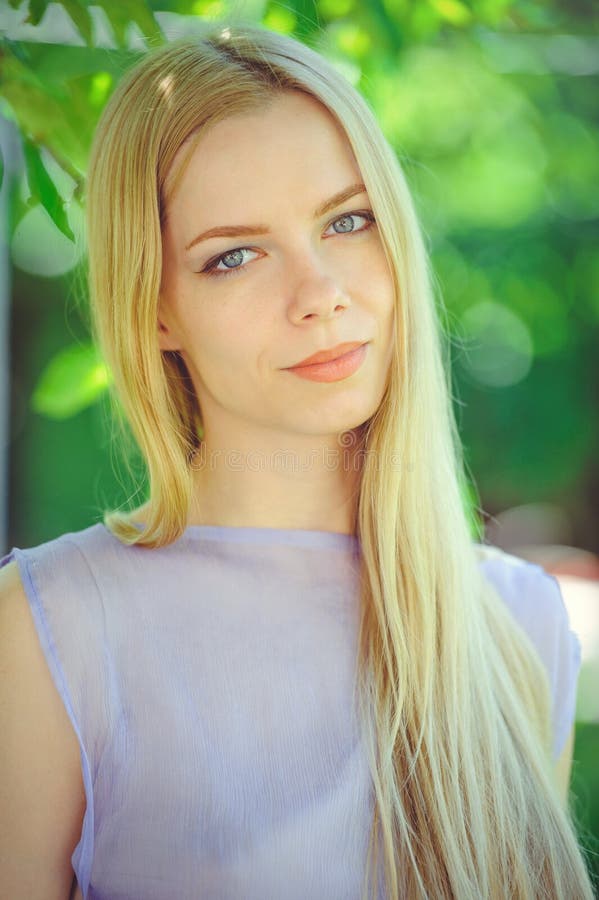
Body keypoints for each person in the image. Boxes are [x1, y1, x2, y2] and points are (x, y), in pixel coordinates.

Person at [0, 21, 595, 900]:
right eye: (234, 255)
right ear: (154, 309)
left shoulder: (519, 622)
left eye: (346, 221)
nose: (319, 295)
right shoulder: (48, 633)